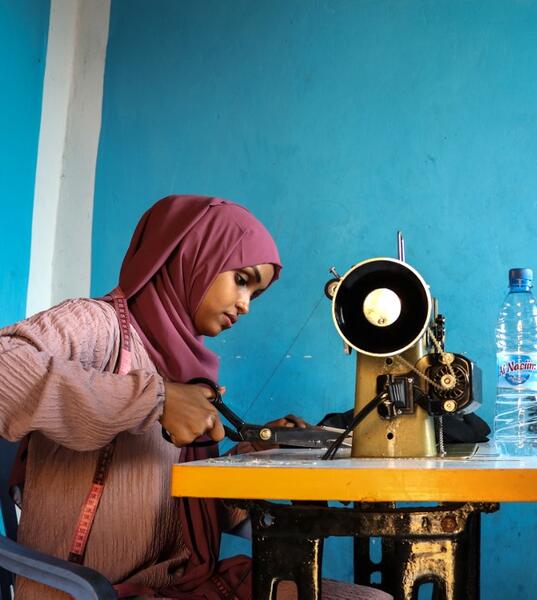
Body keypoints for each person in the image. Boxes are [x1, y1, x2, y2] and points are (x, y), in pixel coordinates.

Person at [0, 195, 389, 599]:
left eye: (254, 294)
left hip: (180, 582)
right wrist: (157, 400)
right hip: (92, 590)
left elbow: (184, 513)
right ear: (193, 256)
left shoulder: (188, 368)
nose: (245, 305)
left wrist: (254, 454)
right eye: (242, 280)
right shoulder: (99, 326)